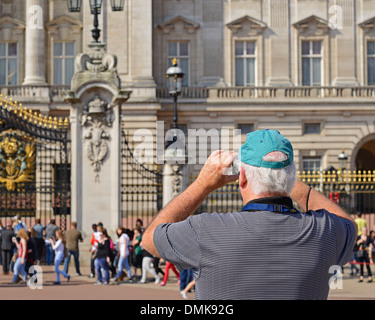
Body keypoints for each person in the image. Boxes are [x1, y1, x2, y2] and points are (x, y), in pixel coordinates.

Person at [142, 129, 357, 300]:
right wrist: (285, 178)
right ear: (291, 175)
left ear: (241, 176)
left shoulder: (206, 230)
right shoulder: (326, 231)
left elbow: (150, 239)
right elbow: (349, 224)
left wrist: (202, 184)